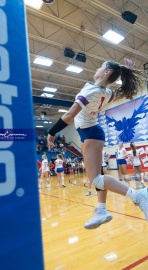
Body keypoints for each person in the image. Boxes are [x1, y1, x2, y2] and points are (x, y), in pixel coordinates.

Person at [47, 58, 148, 229]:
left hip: (91, 132)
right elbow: (122, 93)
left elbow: (69, 115)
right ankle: (101, 209)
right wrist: (124, 72)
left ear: (107, 72)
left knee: (96, 179)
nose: (97, 69)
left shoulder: (91, 90)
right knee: (97, 176)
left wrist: (51, 132)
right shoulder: (106, 92)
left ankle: (137, 195)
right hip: (90, 132)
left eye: (101, 67)